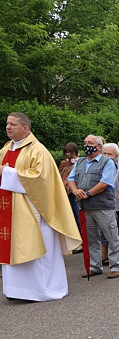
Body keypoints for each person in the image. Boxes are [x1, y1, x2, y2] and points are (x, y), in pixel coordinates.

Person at [0, 112, 81, 300]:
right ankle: (15, 291)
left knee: (38, 247)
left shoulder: (38, 150)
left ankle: (42, 290)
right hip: (9, 209)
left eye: (13, 124)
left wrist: (8, 172)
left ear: (25, 128)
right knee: (12, 246)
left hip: (35, 210)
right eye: (7, 123)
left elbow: (40, 178)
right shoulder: (5, 149)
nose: (8, 127)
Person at [67, 134, 119, 279]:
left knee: (111, 236)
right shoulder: (80, 162)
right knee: (91, 239)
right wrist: (76, 191)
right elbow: (71, 179)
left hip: (103, 206)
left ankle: (117, 266)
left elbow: (105, 183)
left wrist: (88, 193)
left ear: (99, 147)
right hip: (85, 207)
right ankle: (94, 266)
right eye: (85, 142)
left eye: (90, 143)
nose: (87, 145)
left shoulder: (107, 162)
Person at [59, 142, 81, 235]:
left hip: (74, 192)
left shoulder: (80, 162)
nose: (68, 154)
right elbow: (60, 175)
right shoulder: (64, 163)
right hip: (64, 191)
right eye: (66, 152)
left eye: (70, 152)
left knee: (77, 214)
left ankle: (80, 234)